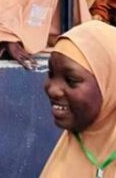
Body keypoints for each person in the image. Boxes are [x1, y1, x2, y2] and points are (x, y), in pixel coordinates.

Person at [41, 21, 116, 177]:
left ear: (109, 85)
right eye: (51, 74)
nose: (52, 90)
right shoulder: (69, 151)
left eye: (71, 80)